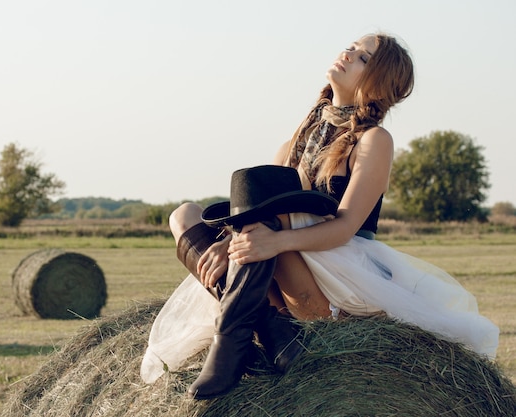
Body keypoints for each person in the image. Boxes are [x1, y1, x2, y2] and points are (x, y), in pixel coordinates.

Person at [145, 32, 499, 399]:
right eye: (352, 47)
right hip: (279, 268)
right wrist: (232, 240)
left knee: (274, 208)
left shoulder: (373, 141)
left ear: (377, 85)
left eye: (363, 58)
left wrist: (273, 240)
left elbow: (345, 226)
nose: (349, 53)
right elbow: (252, 212)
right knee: (184, 215)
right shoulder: (294, 142)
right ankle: (272, 329)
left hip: (337, 280)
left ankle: (232, 340)